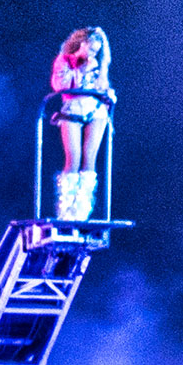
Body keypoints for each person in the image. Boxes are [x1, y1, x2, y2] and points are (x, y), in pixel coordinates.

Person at [50, 27, 114, 222]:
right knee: (73, 156)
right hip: (72, 110)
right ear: (82, 44)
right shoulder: (64, 60)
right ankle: (66, 210)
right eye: (91, 49)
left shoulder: (99, 64)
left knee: (90, 157)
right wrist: (81, 69)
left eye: (97, 50)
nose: (94, 53)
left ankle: (82, 210)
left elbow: (102, 87)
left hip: (95, 111)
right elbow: (60, 86)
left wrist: (107, 92)